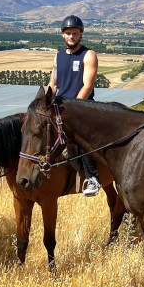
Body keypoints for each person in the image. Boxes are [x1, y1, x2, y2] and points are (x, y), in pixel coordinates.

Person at [48, 15, 101, 197]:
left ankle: (93, 178)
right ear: (63, 35)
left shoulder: (88, 55)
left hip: (82, 108)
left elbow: (88, 85)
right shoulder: (58, 56)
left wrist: (74, 107)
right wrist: (43, 101)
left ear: (81, 34)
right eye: (68, 33)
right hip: (60, 108)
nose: (71, 36)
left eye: (75, 33)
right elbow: (53, 84)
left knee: (81, 139)